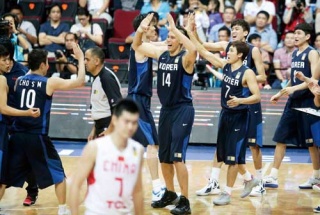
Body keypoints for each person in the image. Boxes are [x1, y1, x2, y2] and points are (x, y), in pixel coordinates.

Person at [4, 43, 85, 215]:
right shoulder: (49, 82)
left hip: (17, 136)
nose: (48, 66)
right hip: (37, 136)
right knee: (59, 175)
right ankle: (63, 210)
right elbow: (80, 81)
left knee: (3, 179)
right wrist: (81, 58)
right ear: (42, 65)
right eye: (47, 63)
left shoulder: (19, 81)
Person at [187, 17, 261, 203]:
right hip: (225, 114)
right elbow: (203, 50)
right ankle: (249, 179)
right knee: (222, 152)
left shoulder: (248, 72)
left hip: (240, 116)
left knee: (233, 157)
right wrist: (190, 32)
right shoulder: (225, 66)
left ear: (240, 55)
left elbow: (257, 96)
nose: (228, 52)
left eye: (231, 51)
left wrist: (241, 100)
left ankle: (226, 193)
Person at [133, 13, 197, 214]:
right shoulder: (162, 55)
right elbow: (137, 46)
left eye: (172, 37)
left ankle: (184, 200)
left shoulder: (186, 59)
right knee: (165, 158)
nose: (168, 39)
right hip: (166, 111)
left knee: (178, 158)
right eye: (168, 36)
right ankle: (170, 193)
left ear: (180, 40)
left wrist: (177, 29)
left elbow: (194, 48)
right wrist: (140, 30)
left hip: (182, 110)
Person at [263, 23, 320, 190]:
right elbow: (293, 80)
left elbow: (314, 81)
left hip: (309, 101)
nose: (295, 35)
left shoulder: (313, 54)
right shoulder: (295, 53)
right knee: (281, 137)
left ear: (307, 36)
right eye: (294, 33)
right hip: (293, 101)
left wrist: (292, 89)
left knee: (312, 143)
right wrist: (280, 93)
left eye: (299, 33)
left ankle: (316, 177)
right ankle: (272, 176)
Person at [69, 99, 144, 215]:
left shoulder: (138, 150)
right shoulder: (95, 147)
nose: (130, 127)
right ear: (114, 120)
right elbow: (76, 184)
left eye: (134, 123)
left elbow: (138, 190)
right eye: (126, 121)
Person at [127, 14, 164, 202]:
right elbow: (162, 46)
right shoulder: (139, 47)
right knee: (152, 144)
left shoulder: (147, 47)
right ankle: (157, 188)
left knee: (137, 147)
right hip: (137, 100)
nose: (154, 29)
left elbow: (164, 44)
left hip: (141, 101)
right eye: (151, 26)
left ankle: (124, 186)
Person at [0, 38, 39, 206]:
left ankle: (32, 190)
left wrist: (27, 115)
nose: (8, 63)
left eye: (9, 58)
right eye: (4, 59)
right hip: (4, 122)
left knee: (26, 158)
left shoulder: (22, 72)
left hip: (18, 123)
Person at [85, 47, 122, 140]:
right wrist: (94, 130)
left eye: (87, 59)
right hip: (100, 126)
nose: (85, 62)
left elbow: (117, 107)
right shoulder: (97, 77)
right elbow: (99, 107)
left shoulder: (106, 78)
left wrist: (110, 130)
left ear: (96, 61)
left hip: (108, 126)